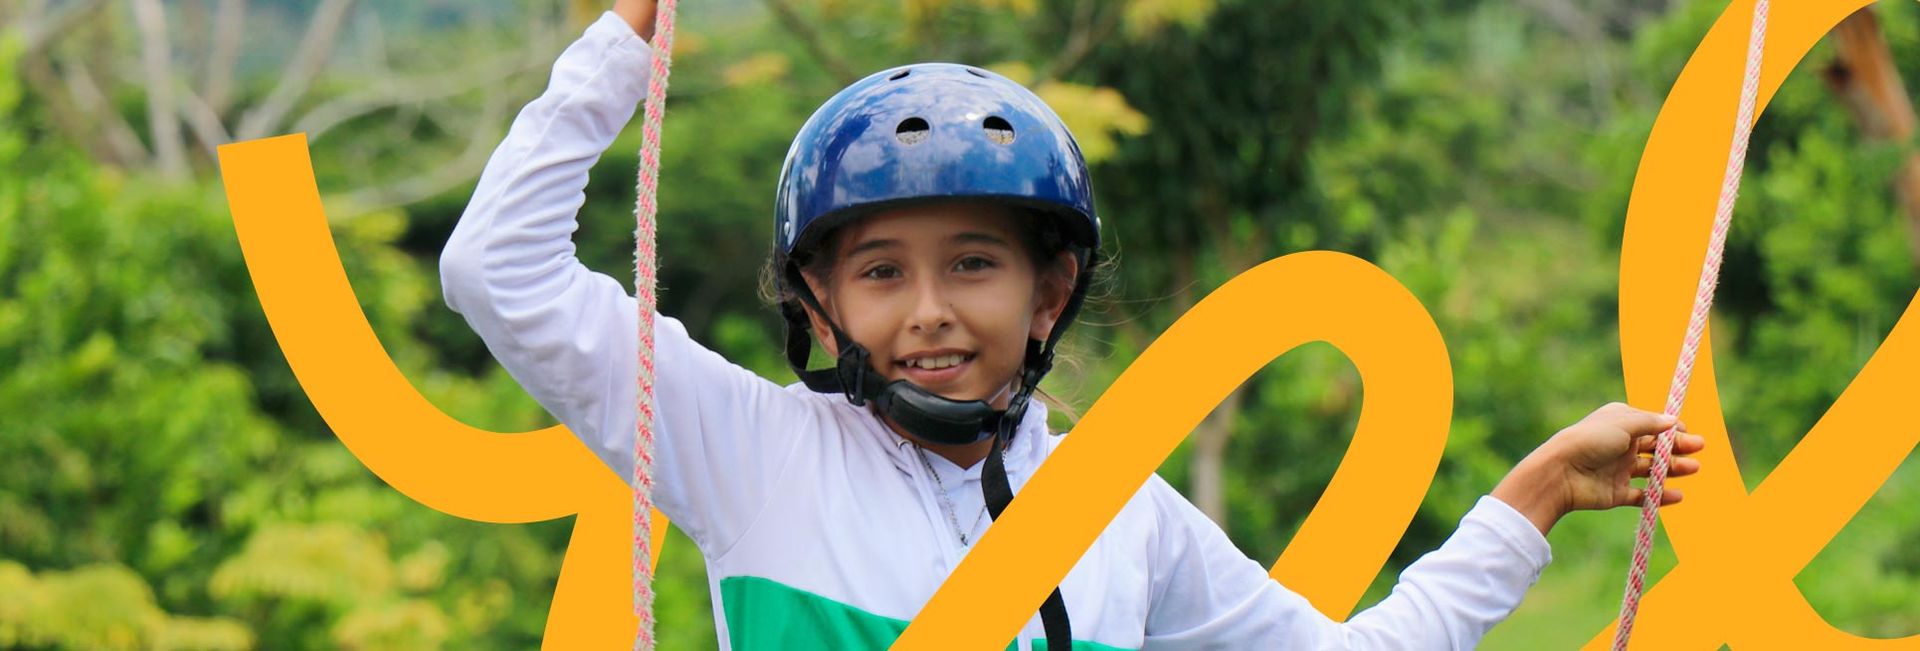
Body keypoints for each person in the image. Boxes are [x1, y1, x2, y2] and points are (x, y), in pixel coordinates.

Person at [439, 2, 1707, 648]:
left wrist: (1530, 498)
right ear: (820, 306)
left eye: (974, 263)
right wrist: (621, 42)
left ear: (1049, 293)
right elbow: (499, 271)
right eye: (879, 271)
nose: (929, 311)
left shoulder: (1118, 506)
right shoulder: (752, 453)